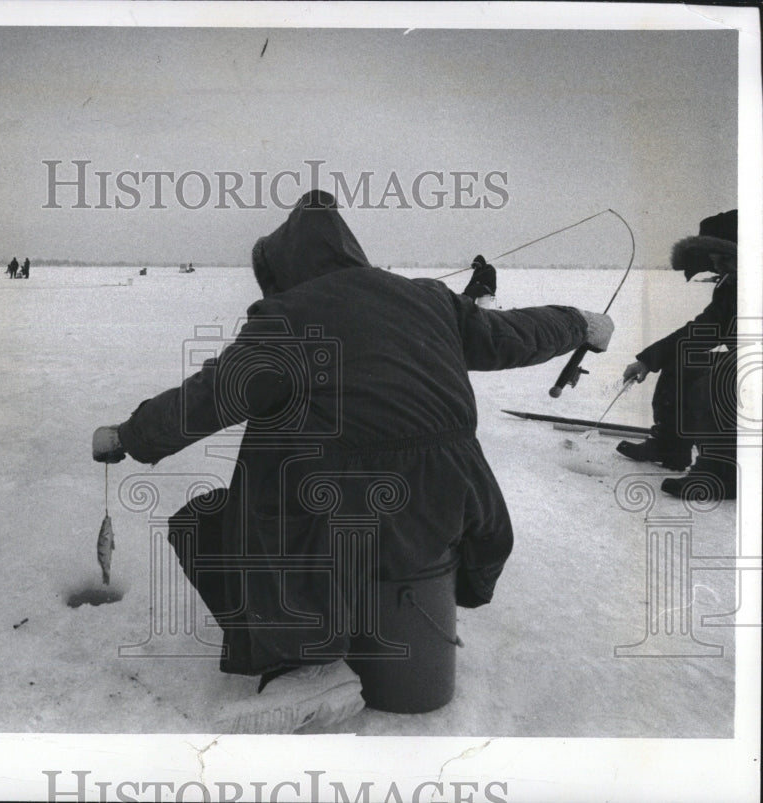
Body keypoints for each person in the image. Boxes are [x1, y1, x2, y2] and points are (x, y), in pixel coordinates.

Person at [91, 190, 614, 733]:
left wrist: (127, 436)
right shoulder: (432, 299)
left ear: (283, 266)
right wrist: (577, 322)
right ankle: (381, 628)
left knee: (212, 520)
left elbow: (204, 402)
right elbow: (512, 334)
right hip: (461, 512)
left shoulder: (285, 318)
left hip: (354, 518)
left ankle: (306, 664)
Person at [616, 210, 738, 500]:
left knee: (721, 376)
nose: (717, 264)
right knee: (684, 360)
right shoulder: (731, 286)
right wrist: (649, 359)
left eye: (725, 256)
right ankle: (670, 446)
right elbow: (706, 330)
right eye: (713, 256)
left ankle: (722, 474)